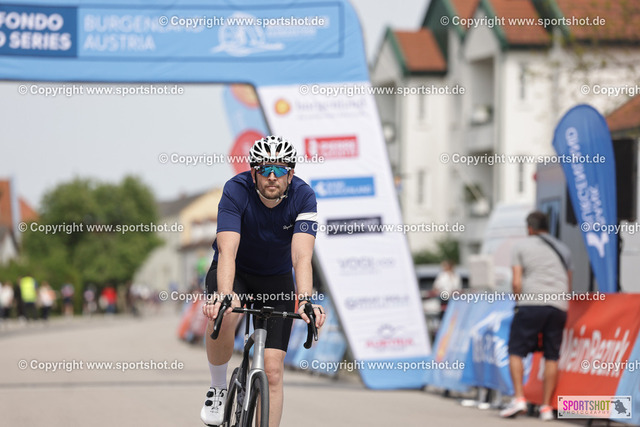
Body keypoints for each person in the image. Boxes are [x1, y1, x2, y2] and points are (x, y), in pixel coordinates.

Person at [200, 136, 326, 427]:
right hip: (236, 272)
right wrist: (225, 294)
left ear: (290, 174)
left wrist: (306, 300)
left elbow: (302, 256)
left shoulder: (304, 196)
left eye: (280, 170)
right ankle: (218, 388)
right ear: (253, 172)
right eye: (265, 169)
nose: (272, 176)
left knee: (273, 371)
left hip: (276, 279)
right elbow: (228, 250)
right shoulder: (236, 190)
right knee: (225, 314)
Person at [500, 211, 572, 421]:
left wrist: (518, 303)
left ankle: (519, 399)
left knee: (515, 351)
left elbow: (516, 282)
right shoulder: (564, 249)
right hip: (558, 305)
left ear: (529, 228)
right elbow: (569, 283)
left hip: (531, 303)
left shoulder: (520, 247)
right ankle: (546, 407)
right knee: (552, 355)